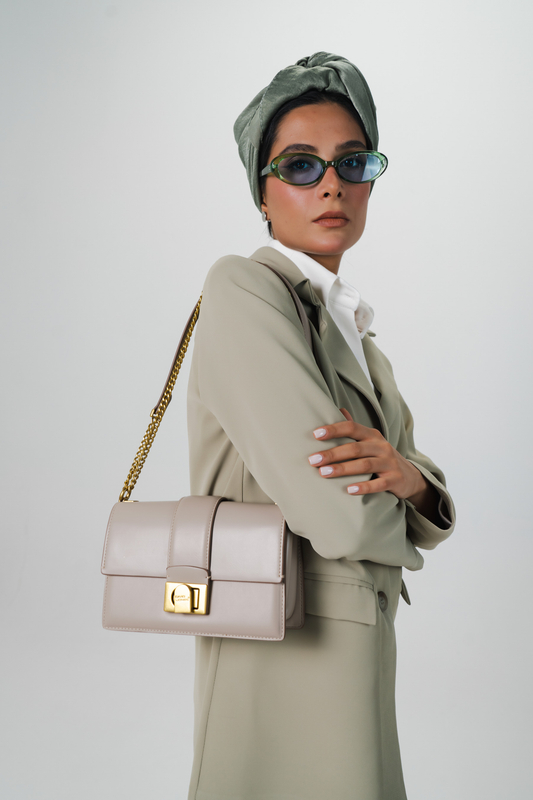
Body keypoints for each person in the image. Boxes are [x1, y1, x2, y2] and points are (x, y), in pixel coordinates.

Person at [186, 51, 456, 800]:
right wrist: (405, 507)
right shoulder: (243, 289)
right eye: (301, 166)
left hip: (352, 647)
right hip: (278, 649)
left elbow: (414, 477)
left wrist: (409, 482)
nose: (332, 184)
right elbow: (340, 514)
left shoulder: (356, 334)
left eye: (352, 162)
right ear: (262, 191)